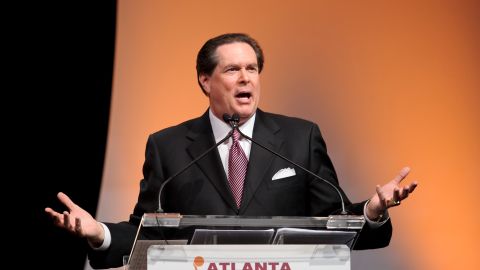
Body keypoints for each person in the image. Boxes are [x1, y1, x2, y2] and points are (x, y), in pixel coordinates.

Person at [45, 33, 418, 269]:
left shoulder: (300, 137)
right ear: (205, 80)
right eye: (233, 70)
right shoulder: (168, 145)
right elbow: (148, 232)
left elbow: (334, 222)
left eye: (253, 69)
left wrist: (371, 211)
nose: (246, 78)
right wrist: (99, 234)